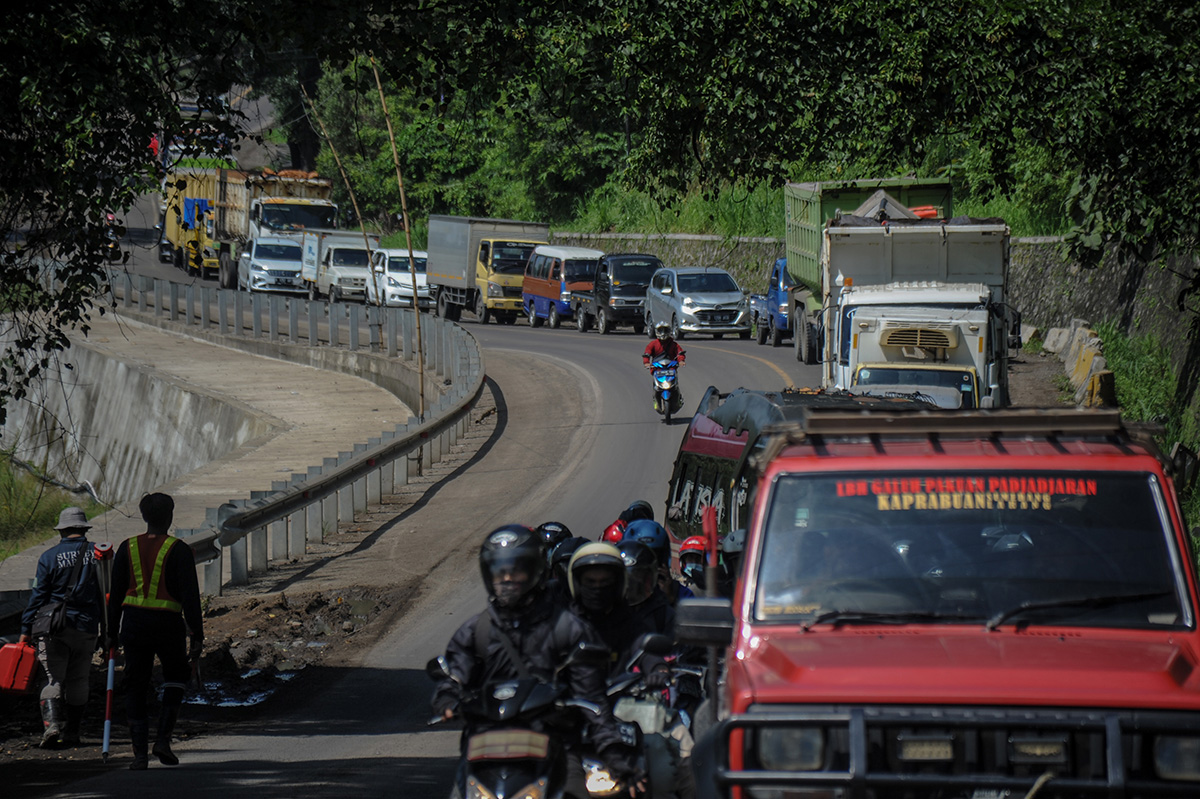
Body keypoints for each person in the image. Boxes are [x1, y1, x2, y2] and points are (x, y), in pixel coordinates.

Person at [432, 526, 643, 796]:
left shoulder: (568, 629)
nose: (507, 580)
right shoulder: (477, 630)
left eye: (516, 571)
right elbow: (455, 673)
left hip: (554, 746)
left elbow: (593, 700)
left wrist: (617, 758)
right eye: (499, 573)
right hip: (485, 748)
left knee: (577, 791)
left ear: (536, 571)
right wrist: (448, 697)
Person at [107, 493, 203, 770]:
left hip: (134, 624)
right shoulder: (180, 550)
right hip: (167, 624)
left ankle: (139, 756)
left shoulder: (127, 548)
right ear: (170, 517)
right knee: (175, 676)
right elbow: (190, 597)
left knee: (135, 683)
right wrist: (197, 635)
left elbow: (114, 597)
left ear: (144, 516)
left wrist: (111, 632)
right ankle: (162, 741)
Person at [19, 507, 105, 749]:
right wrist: (109, 632)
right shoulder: (99, 554)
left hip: (55, 627)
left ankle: (53, 726)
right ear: (83, 529)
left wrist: (26, 628)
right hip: (87, 625)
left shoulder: (49, 557)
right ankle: (73, 732)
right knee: (79, 679)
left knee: (53, 678)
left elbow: (38, 597)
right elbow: (106, 593)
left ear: (62, 531)